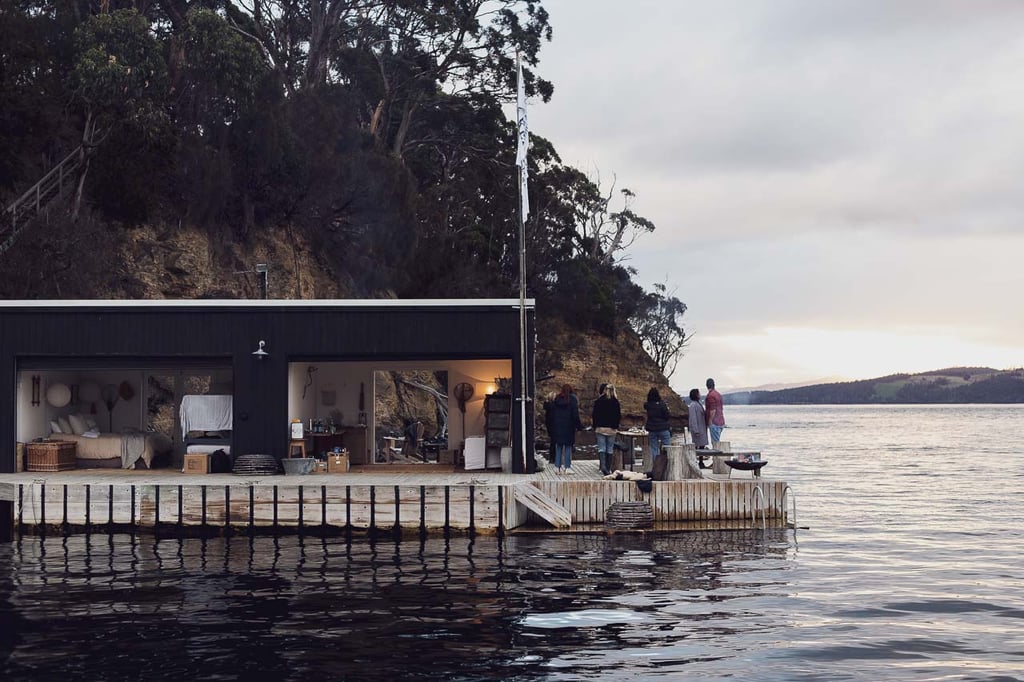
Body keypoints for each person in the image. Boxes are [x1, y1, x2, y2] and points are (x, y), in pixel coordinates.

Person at [550, 383, 583, 474]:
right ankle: (567, 467)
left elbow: (552, 414)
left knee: (559, 446)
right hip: (569, 427)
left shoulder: (557, 399)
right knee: (568, 447)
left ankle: (557, 467)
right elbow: (575, 415)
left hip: (558, 427)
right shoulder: (572, 399)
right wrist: (579, 427)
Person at [591, 383, 621, 475]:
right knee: (610, 449)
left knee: (601, 448)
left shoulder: (599, 401)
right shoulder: (616, 402)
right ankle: (608, 468)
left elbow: (594, 414)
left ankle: (602, 467)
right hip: (611, 428)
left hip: (600, 428)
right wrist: (615, 426)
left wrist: (595, 426)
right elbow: (618, 416)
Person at [643, 387, 671, 464]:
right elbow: (667, 416)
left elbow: (645, 405)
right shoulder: (662, 404)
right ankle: (667, 464)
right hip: (663, 428)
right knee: (667, 447)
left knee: (654, 449)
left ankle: (656, 466)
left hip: (652, 429)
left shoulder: (648, 405)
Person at [705, 378, 726, 448]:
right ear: (714, 385)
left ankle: (717, 458)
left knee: (715, 444)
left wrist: (710, 421)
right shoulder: (718, 394)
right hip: (721, 421)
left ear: (707, 386)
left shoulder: (710, 396)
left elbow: (713, 410)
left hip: (715, 423)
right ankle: (718, 457)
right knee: (717, 442)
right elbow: (720, 408)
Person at [542, 391, 557, 462]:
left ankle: (552, 458)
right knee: (555, 442)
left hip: (550, 426)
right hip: (555, 425)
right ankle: (555, 457)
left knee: (552, 442)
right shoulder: (555, 406)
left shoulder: (547, 406)